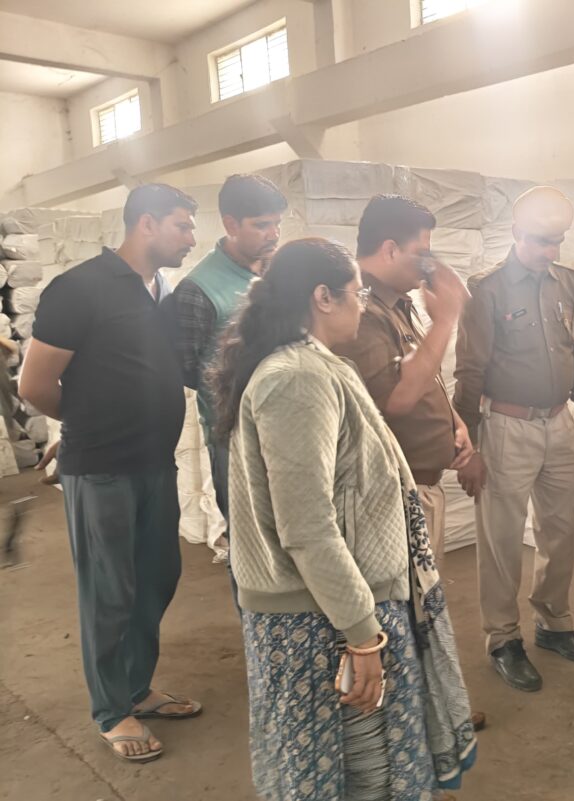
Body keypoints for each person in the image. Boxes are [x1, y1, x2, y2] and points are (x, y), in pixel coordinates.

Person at [212, 238, 476, 800]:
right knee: (350, 774)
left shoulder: (317, 366)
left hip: (335, 609)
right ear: (323, 297)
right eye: (356, 294)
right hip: (321, 622)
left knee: (367, 769)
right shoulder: (297, 378)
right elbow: (307, 527)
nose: (362, 305)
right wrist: (361, 636)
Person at [19, 184, 202, 763]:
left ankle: (136, 688)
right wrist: (84, 427)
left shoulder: (160, 290)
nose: (190, 237)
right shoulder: (79, 289)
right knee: (109, 592)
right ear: (146, 223)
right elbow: (33, 384)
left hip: (155, 462)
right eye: (181, 225)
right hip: (101, 469)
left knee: (156, 578)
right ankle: (109, 709)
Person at [334, 196, 487, 733]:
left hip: (421, 486)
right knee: (400, 611)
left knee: (422, 607)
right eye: (422, 252)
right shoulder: (361, 312)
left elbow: (425, 377)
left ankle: (425, 712)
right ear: (390, 248)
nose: (430, 264)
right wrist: (447, 318)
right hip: (393, 495)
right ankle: (404, 725)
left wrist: (455, 424)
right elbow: (396, 398)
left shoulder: (396, 305)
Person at [453, 186, 574, 692]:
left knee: (560, 531)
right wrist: (467, 448)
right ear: (516, 234)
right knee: (501, 539)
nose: (551, 251)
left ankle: (554, 621)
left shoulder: (569, 283)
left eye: (558, 241)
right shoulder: (487, 289)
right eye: (542, 241)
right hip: (506, 427)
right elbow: (469, 370)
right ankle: (503, 638)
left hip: (560, 423)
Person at [161, 173, 287, 584]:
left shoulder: (278, 274)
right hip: (236, 439)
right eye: (261, 225)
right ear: (231, 223)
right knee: (252, 550)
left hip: (288, 430)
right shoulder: (198, 290)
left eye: (277, 223)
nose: (273, 234)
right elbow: (187, 369)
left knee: (293, 541)